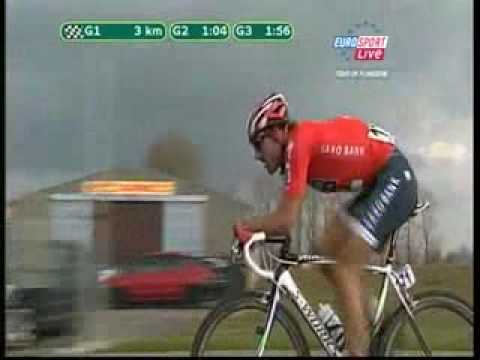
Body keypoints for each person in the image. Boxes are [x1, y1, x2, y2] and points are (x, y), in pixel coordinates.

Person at [233, 92, 418, 356]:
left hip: (395, 177)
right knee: (325, 250)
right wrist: (254, 229)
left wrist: (247, 227)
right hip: (379, 180)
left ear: (275, 134)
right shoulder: (295, 148)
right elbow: (287, 215)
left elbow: (285, 220)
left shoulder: (299, 143)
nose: (257, 156)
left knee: (344, 266)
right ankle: (366, 322)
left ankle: (359, 347)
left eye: (257, 145)